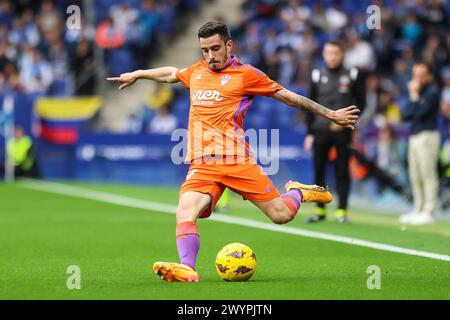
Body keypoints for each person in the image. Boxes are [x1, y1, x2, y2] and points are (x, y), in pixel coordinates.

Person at [107, 22, 359, 282]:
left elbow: (288, 96)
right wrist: (139, 73)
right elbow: (171, 73)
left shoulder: (247, 75)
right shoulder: (196, 71)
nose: (210, 56)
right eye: (205, 50)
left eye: (215, 48)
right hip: (203, 163)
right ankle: (188, 268)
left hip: (236, 160)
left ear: (229, 46)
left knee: (281, 215)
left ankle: (298, 192)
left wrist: (330, 114)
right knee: (184, 211)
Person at [304, 40, 364, 223]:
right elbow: (308, 104)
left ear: (342, 54)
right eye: (329, 53)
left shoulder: (352, 74)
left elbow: (362, 102)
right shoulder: (316, 74)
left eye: (335, 53)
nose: (332, 57)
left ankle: (342, 211)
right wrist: (309, 133)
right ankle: (319, 210)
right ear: (324, 54)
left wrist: (349, 122)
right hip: (320, 129)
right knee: (319, 170)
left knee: (342, 170)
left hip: (343, 131)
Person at [399, 62, 441, 225]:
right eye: (415, 74)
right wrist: (414, 97)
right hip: (415, 135)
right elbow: (407, 115)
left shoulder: (432, 92)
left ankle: (429, 211)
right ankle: (418, 208)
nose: (417, 78)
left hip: (428, 135)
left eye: (421, 74)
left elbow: (421, 114)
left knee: (428, 174)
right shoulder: (416, 93)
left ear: (429, 76)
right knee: (415, 174)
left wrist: (415, 95)